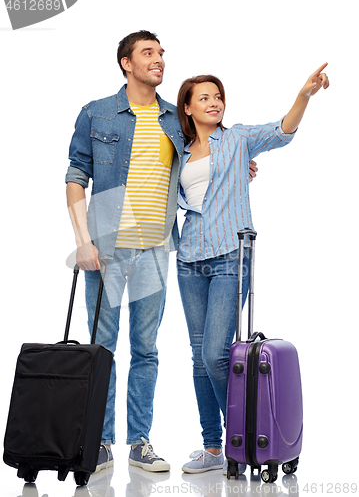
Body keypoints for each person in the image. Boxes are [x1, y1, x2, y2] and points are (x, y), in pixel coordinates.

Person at [176, 66, 329, 474]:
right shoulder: (178, 151)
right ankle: (213, 448)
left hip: (231, 256)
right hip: (189, 258)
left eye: (217, 96)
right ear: (188, 108)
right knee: (197, 358)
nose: (214, 103)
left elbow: (281, 131)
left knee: (215, 355)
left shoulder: (239, 139)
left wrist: (304, 96)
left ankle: (245, 433)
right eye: (204, 98)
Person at [65, 30, 184, 473]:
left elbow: (199, 164)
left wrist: (238, 167)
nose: (158, 60)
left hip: (156, 250)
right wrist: (82, 241)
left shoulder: (176, 117)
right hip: (107, 249)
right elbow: (76, 177)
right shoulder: (97, 114)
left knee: (147, 349)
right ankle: (99, 441)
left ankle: (140, 442)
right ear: (126, 63)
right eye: (148, 54)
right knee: (102, 348)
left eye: (161, 54)